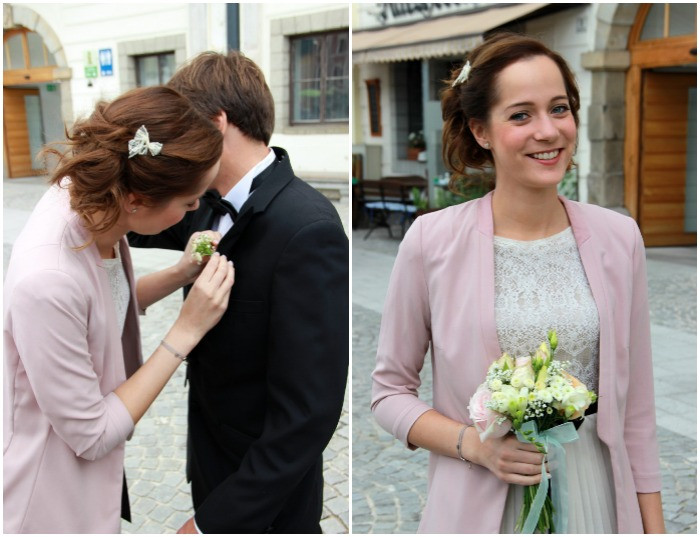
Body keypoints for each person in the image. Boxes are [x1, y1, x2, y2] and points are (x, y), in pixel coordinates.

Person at [371, 33, 665, 534]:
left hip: (595, 498)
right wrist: (474, 445)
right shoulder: (431, 241)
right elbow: (387, 394)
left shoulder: (619, 238)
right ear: (481, 130)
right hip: (480, 503)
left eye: (559, 108)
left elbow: (636, 407)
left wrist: (654, 529)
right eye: (521, 115)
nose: (548, 131)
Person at [128, 51, 349, 533]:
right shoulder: (203, 200)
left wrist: (215, 523)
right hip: (209, 457)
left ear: (216, 122)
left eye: (182, 131)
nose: (172, 148)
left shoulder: (308, 228)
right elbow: (133, 220)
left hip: (267, 499)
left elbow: (309, 414)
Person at [3, 85, 235, 533]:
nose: (195, 211)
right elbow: (91, 435)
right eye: (189, 203)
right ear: (137, 200)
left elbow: (103, 305)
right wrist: (186, 330)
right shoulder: (47, 279)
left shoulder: (95, 200)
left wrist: (180, 272)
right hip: (48, 501)